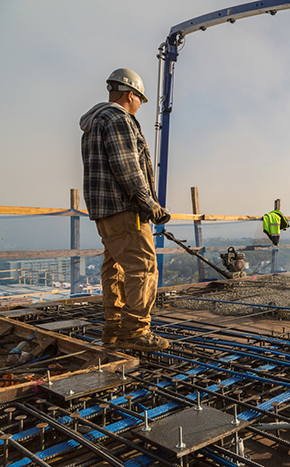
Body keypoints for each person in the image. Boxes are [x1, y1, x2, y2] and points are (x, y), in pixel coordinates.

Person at [80, 68, 170, 352]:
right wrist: (150, 204)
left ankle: (113, 328)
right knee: (143, 267)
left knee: (115, 266)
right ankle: (136, 330)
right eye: (139, 100)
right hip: (124, 208)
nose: (139, 106)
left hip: (104, 210)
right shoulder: (119, 119)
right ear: (130, 94)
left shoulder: (95, 121)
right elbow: (128, 167)